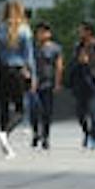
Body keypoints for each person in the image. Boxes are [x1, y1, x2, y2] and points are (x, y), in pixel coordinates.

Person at [0, 0, 36, 156]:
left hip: (2, 70)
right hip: (18, 71)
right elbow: (29, 56)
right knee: (20, 109)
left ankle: (6, 145)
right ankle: (4, 133)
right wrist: (32, 75)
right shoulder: (24, 30)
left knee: (4, 107)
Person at [65, 22, 95, 151]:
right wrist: (79, 62)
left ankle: (94, 138)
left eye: (81, 30)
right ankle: (86, 133)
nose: (79, 32)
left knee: (94, 113)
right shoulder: (78, 47)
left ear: (88, 32)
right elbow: (72, 64)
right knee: (80, 114)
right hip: (80, 83)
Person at [28, 21, 62, 151]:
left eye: (44, 32)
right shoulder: (31, 48)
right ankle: (36, 132)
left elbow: (59, 66)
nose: (41, 34)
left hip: (48, 83)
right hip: (33, 84)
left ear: (49, 33)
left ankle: (46, 137)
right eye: (39, 32)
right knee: (34, 110)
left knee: (47, 112)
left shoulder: (55, 48)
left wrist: (57, 83)